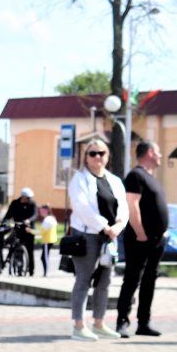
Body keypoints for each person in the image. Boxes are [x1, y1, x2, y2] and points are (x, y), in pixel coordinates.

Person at [67, 142, 128, 341]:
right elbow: (82, 207)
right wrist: (104, 226)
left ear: (107, 156)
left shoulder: (114, 180)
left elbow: (123, 207)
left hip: (109, 237)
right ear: (86, 157)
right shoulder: (80, 179)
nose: (97, 157)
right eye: (92, 153)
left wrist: (118, 226)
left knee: (105, 281)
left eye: (101, 153)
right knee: (84, 279)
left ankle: (99, 322)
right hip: (88, 235)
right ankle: (78, 325)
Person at [116, 141, 167, 338]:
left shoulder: (152, 178)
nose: (161, 155)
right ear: (150, 152)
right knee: (132, 279)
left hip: (156, 240)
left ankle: (143, 323)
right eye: (158, 152)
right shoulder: (136, 176)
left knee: (149, 281)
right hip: (140, 238)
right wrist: (140, 233)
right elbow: (132, 205)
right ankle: (122, 321)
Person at [4, 187, 36, 276]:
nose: (29, 199)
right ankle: (18, 269)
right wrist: (4, 222)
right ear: (23, 196)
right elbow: (8, 214)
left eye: (30, 198)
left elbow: (35, 215)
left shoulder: (32, 204)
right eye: (27, 198)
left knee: (30, 251)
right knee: (17, 249)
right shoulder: (15, 203)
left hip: (28, 229)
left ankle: (31, 271)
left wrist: (28, 220)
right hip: (18, 228)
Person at [36, 204, 57, 277]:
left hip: (47, 241)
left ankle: (46, 272)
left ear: (46, 211)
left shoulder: (47, 219)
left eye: (41, 211)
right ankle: (46, 272)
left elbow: (42, 231)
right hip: (50, 240)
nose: (40, 212)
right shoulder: (52, 218)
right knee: (44, 257)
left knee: (44, 257)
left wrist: (31, 231)